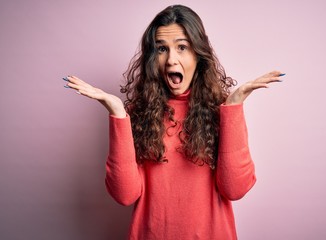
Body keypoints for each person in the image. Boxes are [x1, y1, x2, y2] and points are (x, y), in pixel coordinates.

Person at [63, 4, 284, 240]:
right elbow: (125, 195)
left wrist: (233, 107)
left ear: (199, 54)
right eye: (161, 49)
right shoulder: (138, 113)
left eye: (182, 47)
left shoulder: (222, 110)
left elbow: (235, 189)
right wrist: (117, 114)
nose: (171, 60)